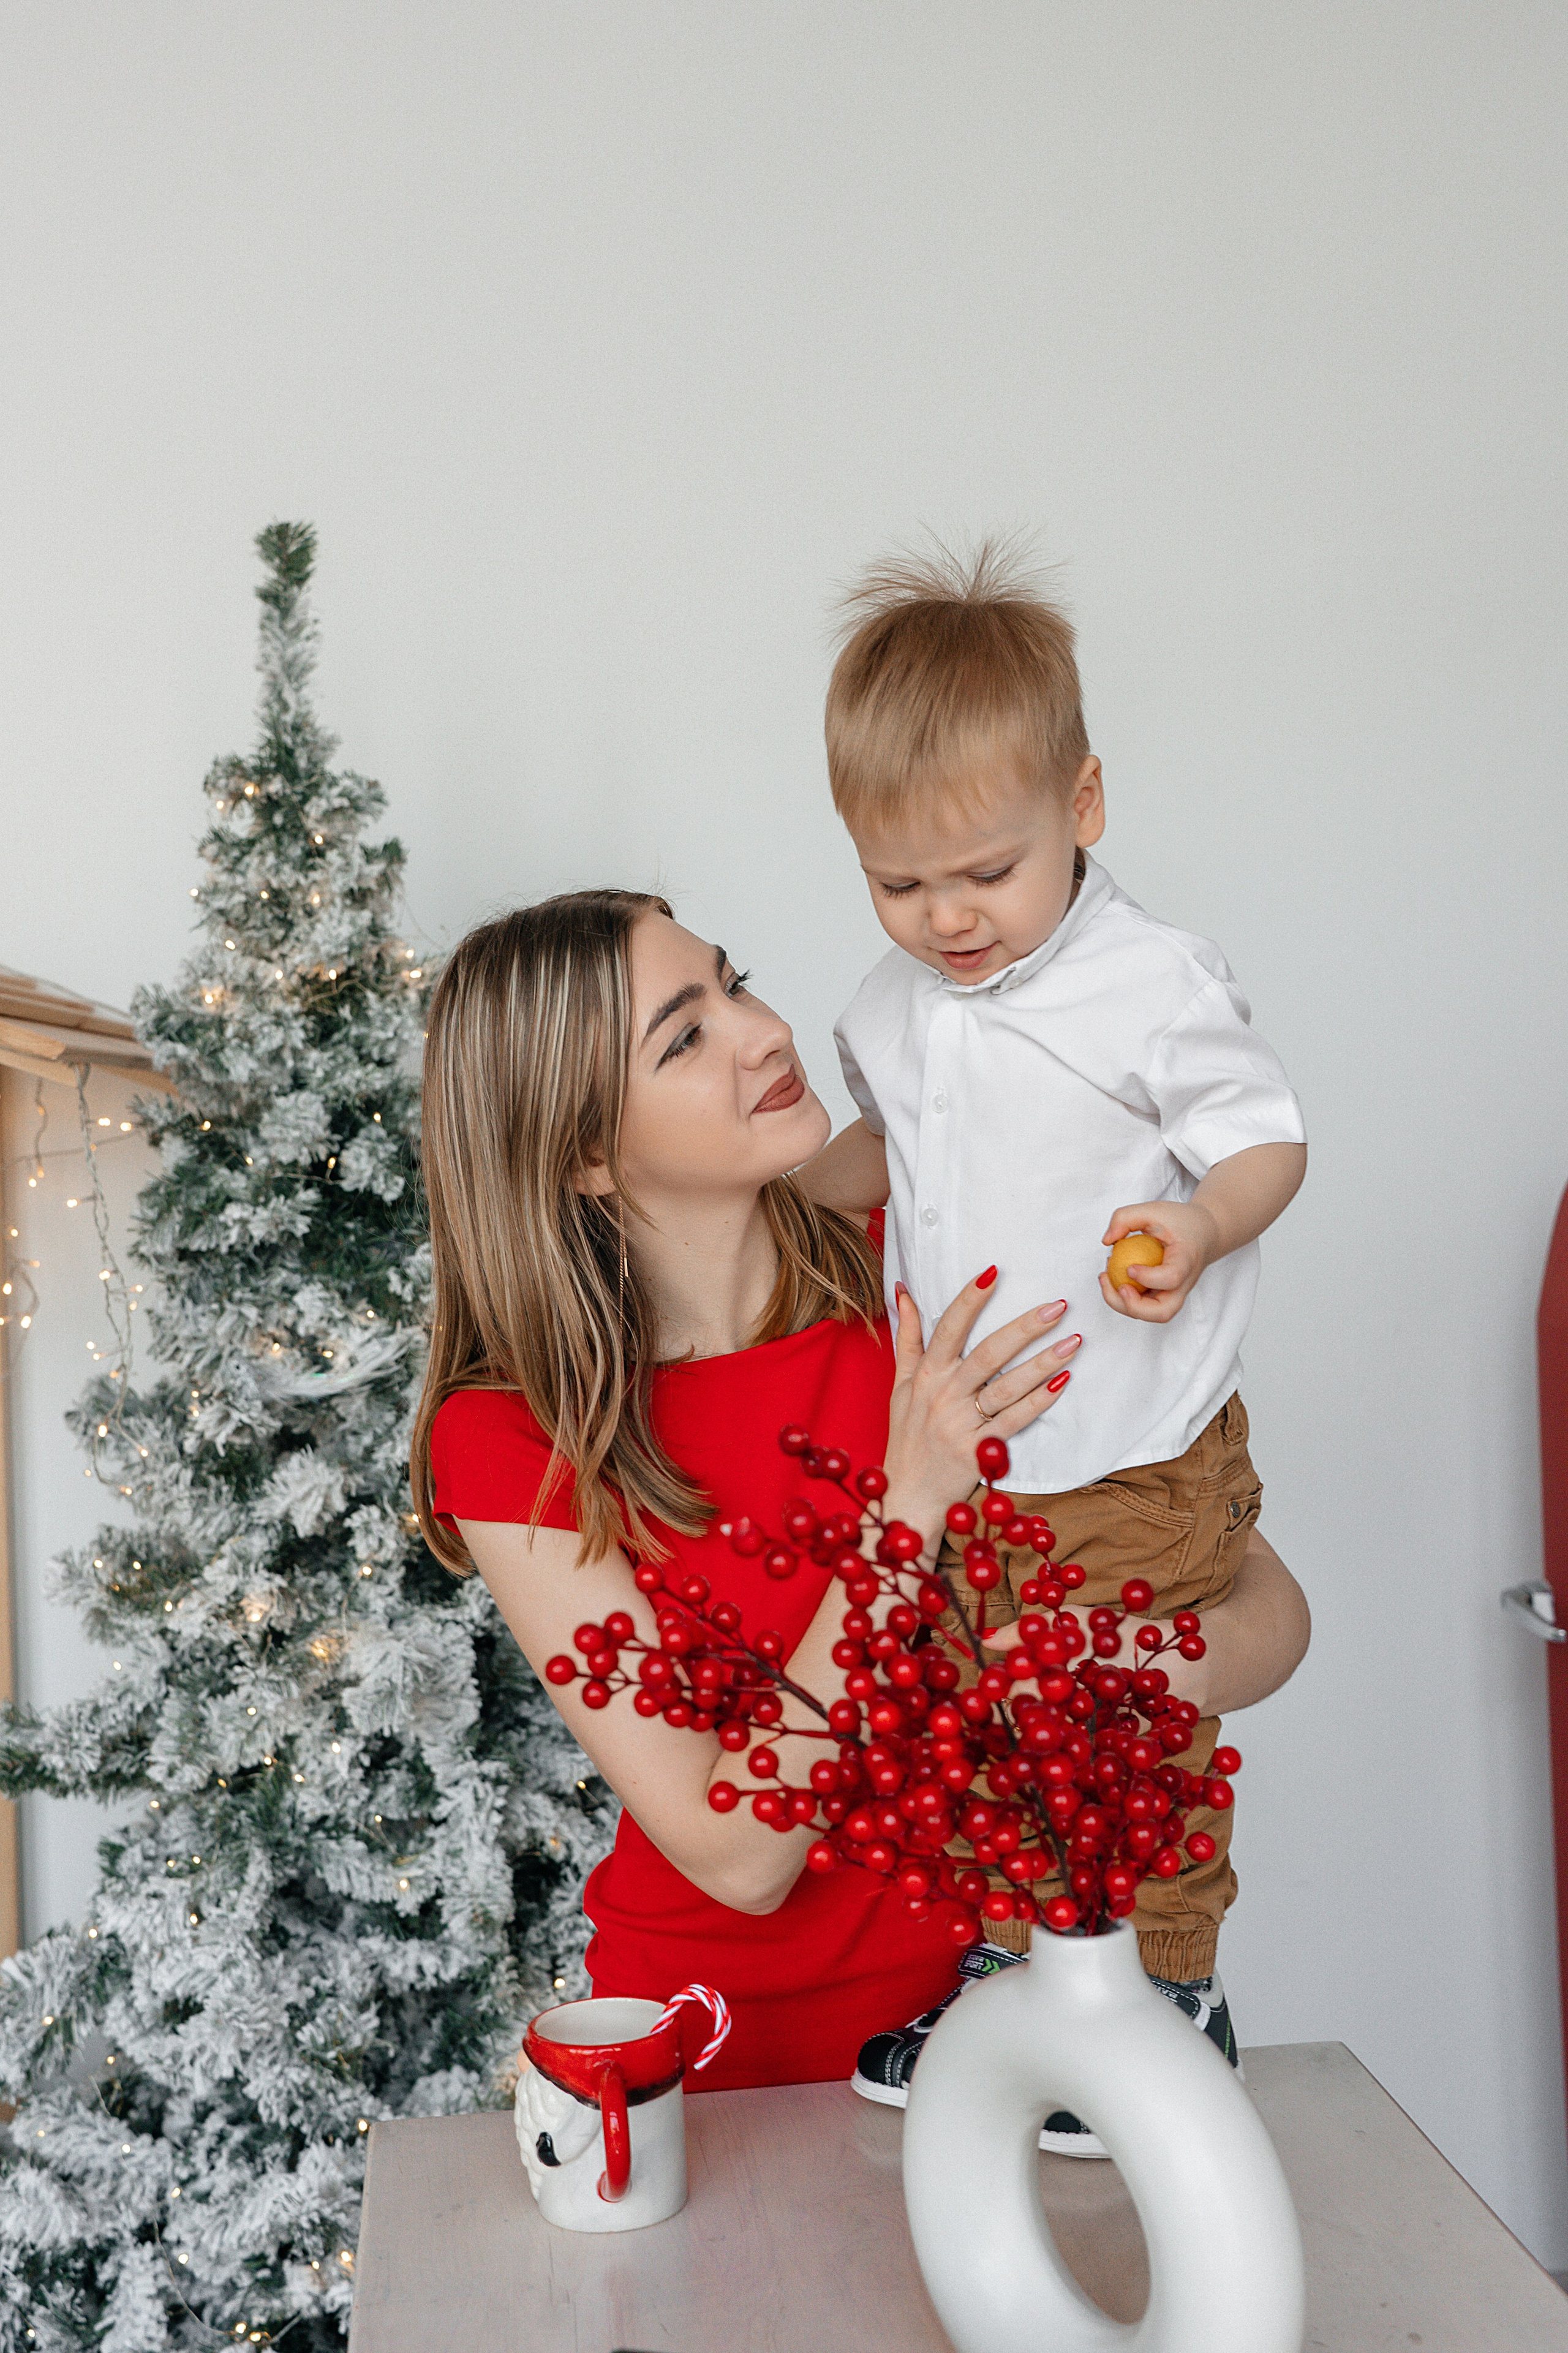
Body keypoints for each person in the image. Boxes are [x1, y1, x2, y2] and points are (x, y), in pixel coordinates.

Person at [409, 889, 1311, 2096]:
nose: (762, 1032)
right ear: (579, 1151)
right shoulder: (515, 1436)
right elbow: (736, 1852)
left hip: (1011, 2019)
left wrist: (1165, 1662)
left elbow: (1261, 1595)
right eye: (683, 1037)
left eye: (733, 982)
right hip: (722, 2057)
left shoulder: (929, 1271)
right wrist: (909, 1503)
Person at [799, 544, 1308, 2141]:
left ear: (1084, 805)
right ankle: (1022, 1973)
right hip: (970, 1456)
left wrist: (1204, 1226)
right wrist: (788, 1191)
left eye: (985, 871)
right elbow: (889, 1151)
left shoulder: (1149, 984)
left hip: (1132, 1451)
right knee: (983, 1723)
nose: (946, 915)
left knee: (1112, 1725)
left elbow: (1266, 1141)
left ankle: (1168, 1980)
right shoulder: (888, 1006)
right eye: (900, 882)